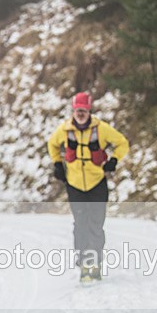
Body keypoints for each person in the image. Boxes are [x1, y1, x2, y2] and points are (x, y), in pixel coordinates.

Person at [47, 92, 129, 283]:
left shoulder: (101, 129)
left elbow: (122, 143)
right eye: (77, 110)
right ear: (73, 111)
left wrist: (114, 160)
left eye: (83, 110)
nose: (80, 114)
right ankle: (84, 262)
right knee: (80, 224)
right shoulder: (65, 130)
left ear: (89, 110)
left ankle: (96, 263)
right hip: (74, 184)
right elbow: (52, 144)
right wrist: (57, 164)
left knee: (96, 225)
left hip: (97, 183)